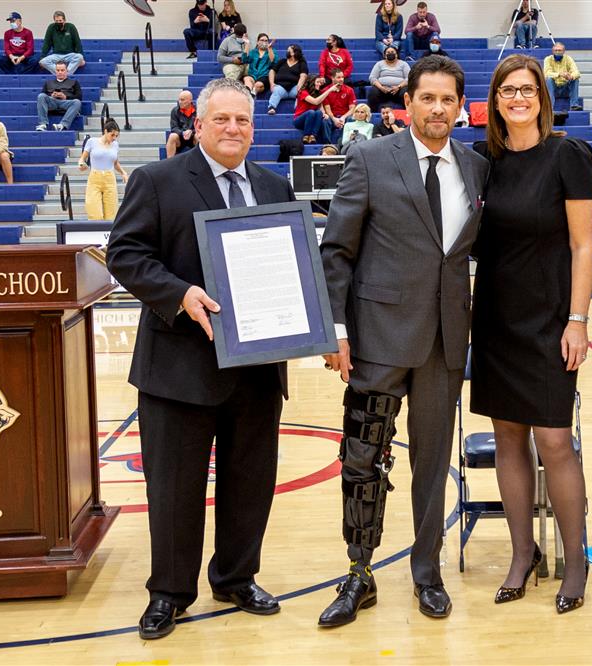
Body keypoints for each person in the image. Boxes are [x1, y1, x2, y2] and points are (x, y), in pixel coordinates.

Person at [107, 77, 294, 641]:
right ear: (198, 124)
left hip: (258, 368)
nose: (233, 129)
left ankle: (237, 577)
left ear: (253, 128)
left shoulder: (273, 184)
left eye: (243, 120)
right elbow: (125, 253)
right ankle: (169, 591)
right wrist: (179, 294)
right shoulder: (158, 180)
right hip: (178, 368)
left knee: (250, 481)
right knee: (173, 488)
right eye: (222, 120)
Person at [317, 55, 489, 628]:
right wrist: (336, 330)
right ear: (407, 102)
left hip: (445, 342)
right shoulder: (368, 158)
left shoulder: (476, 165)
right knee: (363, 459)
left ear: (459, 107)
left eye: (448, 99)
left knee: (434, 462)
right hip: (377, 339)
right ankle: (359, 572)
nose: (437, 108)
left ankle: (427, 572)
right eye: (427, 98)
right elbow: (337, 251)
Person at [470, 54, 592, 614]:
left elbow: (582, 246)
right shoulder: (484, 162)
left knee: (553, 442)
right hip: (497, 318)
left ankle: (576, 560)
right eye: (507, 91)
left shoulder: (568, 155)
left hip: (550, 320)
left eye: (527, 90)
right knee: (508, 441)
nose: (517, 98)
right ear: (495, 101)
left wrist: (578, 319)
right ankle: (523, 555)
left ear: (541, 98)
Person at [79, 119, 127, 220]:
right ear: (105, 131)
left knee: (111, 214)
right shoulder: (92, 141)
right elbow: (83, 158)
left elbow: (115, 162)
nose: (114, 138)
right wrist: (81, 164)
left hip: (109, 178)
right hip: (95, 178)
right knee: (95, 213)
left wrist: (123, 172)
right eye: (112, 135)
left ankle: (109, 235)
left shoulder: (115, 145)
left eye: (116, 136)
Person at [36, 61, 82, 131]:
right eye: (58, 70)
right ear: (55, 71)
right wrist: (51, 96)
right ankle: (43, 124)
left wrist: (65, 97)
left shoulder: (74, 82)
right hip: (52, 103)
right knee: (41, 96)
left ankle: (62, 125)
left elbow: (79, 97)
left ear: (67, 71)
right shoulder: (48, 83)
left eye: (62, 70)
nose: (60, 72)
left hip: (66, 103)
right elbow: (42, 97)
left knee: (77, 102)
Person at [39, 11, 84, 76]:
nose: (58, 22)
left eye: (60, 20)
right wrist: (42, 56)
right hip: (56, 55)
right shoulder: (51, 27)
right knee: (43, 62)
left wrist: (82, 59)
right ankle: (64, 74)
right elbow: (47, 43)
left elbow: (77, 42)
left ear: (64, 20)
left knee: (79, 57)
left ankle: (64, 74)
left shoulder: (71, 27)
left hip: (70, 54)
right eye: (56, 21)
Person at [267, 44, 308, 115]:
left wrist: (299, 86)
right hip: (281, 87)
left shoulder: (302, 63)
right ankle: (271, 108)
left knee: (301, 92)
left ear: (294, 53)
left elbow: (303, 75)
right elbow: (272, 71)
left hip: (295, 87)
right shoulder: (282, 61)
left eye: (289, 50)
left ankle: (298, 110)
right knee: (276, 90)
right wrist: (272, 83)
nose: (287, 51)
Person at [367, 46, 410, 111]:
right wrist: (381, 87)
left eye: (392, 52)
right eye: (388, 52)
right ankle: (372, 113)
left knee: (405, 92)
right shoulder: (379, 64)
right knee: (373, 92)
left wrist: (398, 87)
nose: (390, 53)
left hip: (399, 90)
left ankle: (407, 112)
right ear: (384, 55)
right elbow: (372, 78)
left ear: (397, 54)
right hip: (382, 90)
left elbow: (409, 78)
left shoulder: (403, 64)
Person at [543, 42, 582, 111]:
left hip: (565, 89)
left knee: (575, 79)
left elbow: (577, 72)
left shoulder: (568, 59)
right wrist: (559, 74)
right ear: (553, 51)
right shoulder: (548, 59)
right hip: (553, 89)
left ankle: (574, 105)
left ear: (564, 51)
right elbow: (546, 73)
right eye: (556, 50)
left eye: (560, 50)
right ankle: (549, 107)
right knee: (549, 79)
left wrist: (571, 76)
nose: (557, 52)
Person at [293, 75, 332, 144]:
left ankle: (313, 136)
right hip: (299, 120)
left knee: (319, 113)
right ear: (311, 82)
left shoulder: (318, 93)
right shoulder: (303, 92)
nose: (319, 84)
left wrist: (324, 114)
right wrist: (329, 90)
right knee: (311, 112)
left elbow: (321, 108)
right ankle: (306, 135)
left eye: (320, 83)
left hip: (312, 121)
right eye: (317, 82)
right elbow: (315, 101)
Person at [322, 69, 357, 145]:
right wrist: (334, 119)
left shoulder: (349, 90)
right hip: (332, 117)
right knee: (325, 120)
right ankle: (327, 145)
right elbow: (327, 109)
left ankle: (343, 143)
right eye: (338, 77)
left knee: (351, 118)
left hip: (344, 116)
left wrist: (343, 117)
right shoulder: (326, 91)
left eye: (342, 77)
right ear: (332, 78)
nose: (341, 79)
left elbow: (352, 108)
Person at [167, 90, 198, 157]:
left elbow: (202, 126)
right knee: (172, 136)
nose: (180, 102)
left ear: (190, 100)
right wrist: (182, 133)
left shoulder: (198, 111)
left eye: (182, 100)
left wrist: (191, 132)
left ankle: (201, 162)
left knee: (199, 136)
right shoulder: (175, 111)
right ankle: (169, 163)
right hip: (180, 138)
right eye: (179, 100)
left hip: (193, 137)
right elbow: (174, 128)